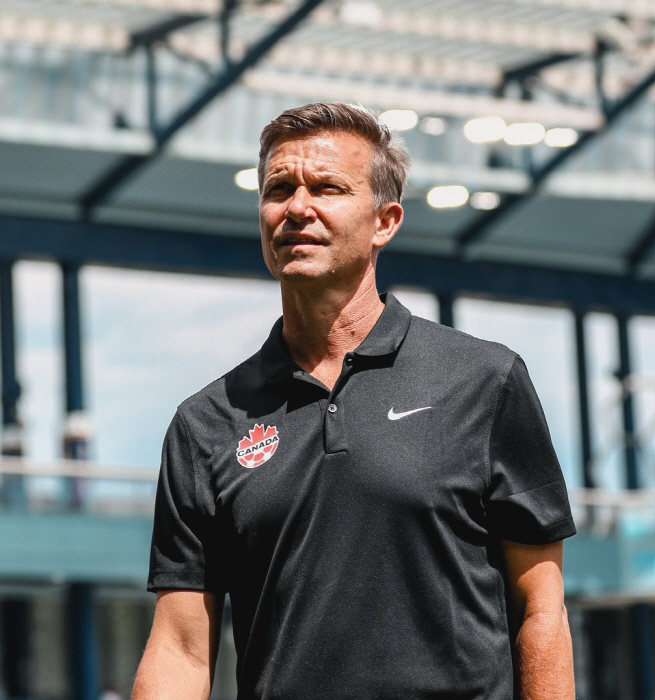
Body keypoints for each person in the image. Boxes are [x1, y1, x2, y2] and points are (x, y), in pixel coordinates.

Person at [132, 102, 577, 700]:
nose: (296, 208)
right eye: (278, 189)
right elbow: (182, 648)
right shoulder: (205, 424)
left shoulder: (484, 381)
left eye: (327, 188)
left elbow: (541, 612)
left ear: (384, 221)